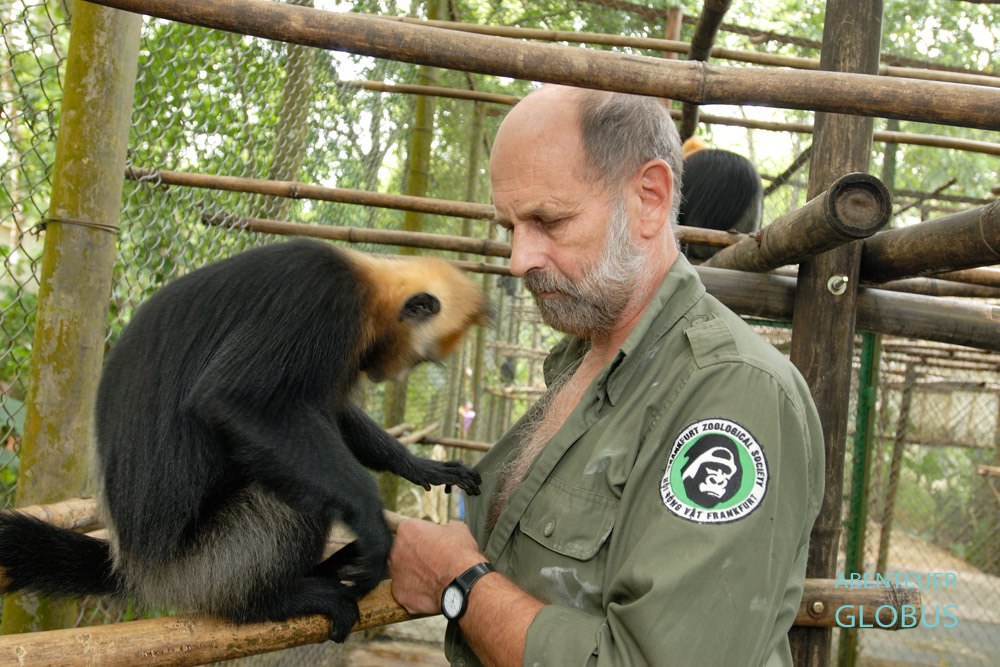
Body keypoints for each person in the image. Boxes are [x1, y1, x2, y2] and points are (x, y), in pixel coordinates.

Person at [389, 84, 825, 667]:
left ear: (649, 198)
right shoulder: (582, 359)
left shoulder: (733, 392)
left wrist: (459, 584)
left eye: (548, 220)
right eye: (510, 226)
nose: (519, 259)